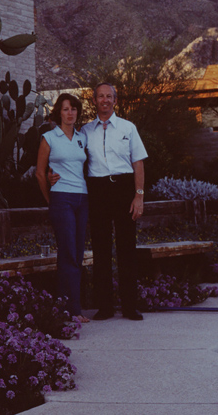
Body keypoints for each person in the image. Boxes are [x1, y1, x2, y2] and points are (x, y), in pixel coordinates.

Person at [82, 82, 148, 321]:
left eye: (109, 96)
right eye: (100, 96)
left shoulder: (128, 128)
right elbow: (74, 158)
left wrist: (138, 196)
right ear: (95, 101)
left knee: (126, 249)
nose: (105, 100)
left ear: (115, 100)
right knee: (100, 249)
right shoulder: (85, 131)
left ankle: (130, 306)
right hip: (97, 190)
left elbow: (138, 163)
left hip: (123, 189)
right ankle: (105, 307)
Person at [35, 92, 90, 323]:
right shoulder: (49, 138)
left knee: (77, 252)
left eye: (74, 109)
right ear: (59, 112)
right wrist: (50, 198)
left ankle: (66, 306)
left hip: (82, 198)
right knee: (68, 252)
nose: (70, 113)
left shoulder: (82, 137)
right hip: (62, 199)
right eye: (66, 109)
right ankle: (73, 310)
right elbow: (40, 172)